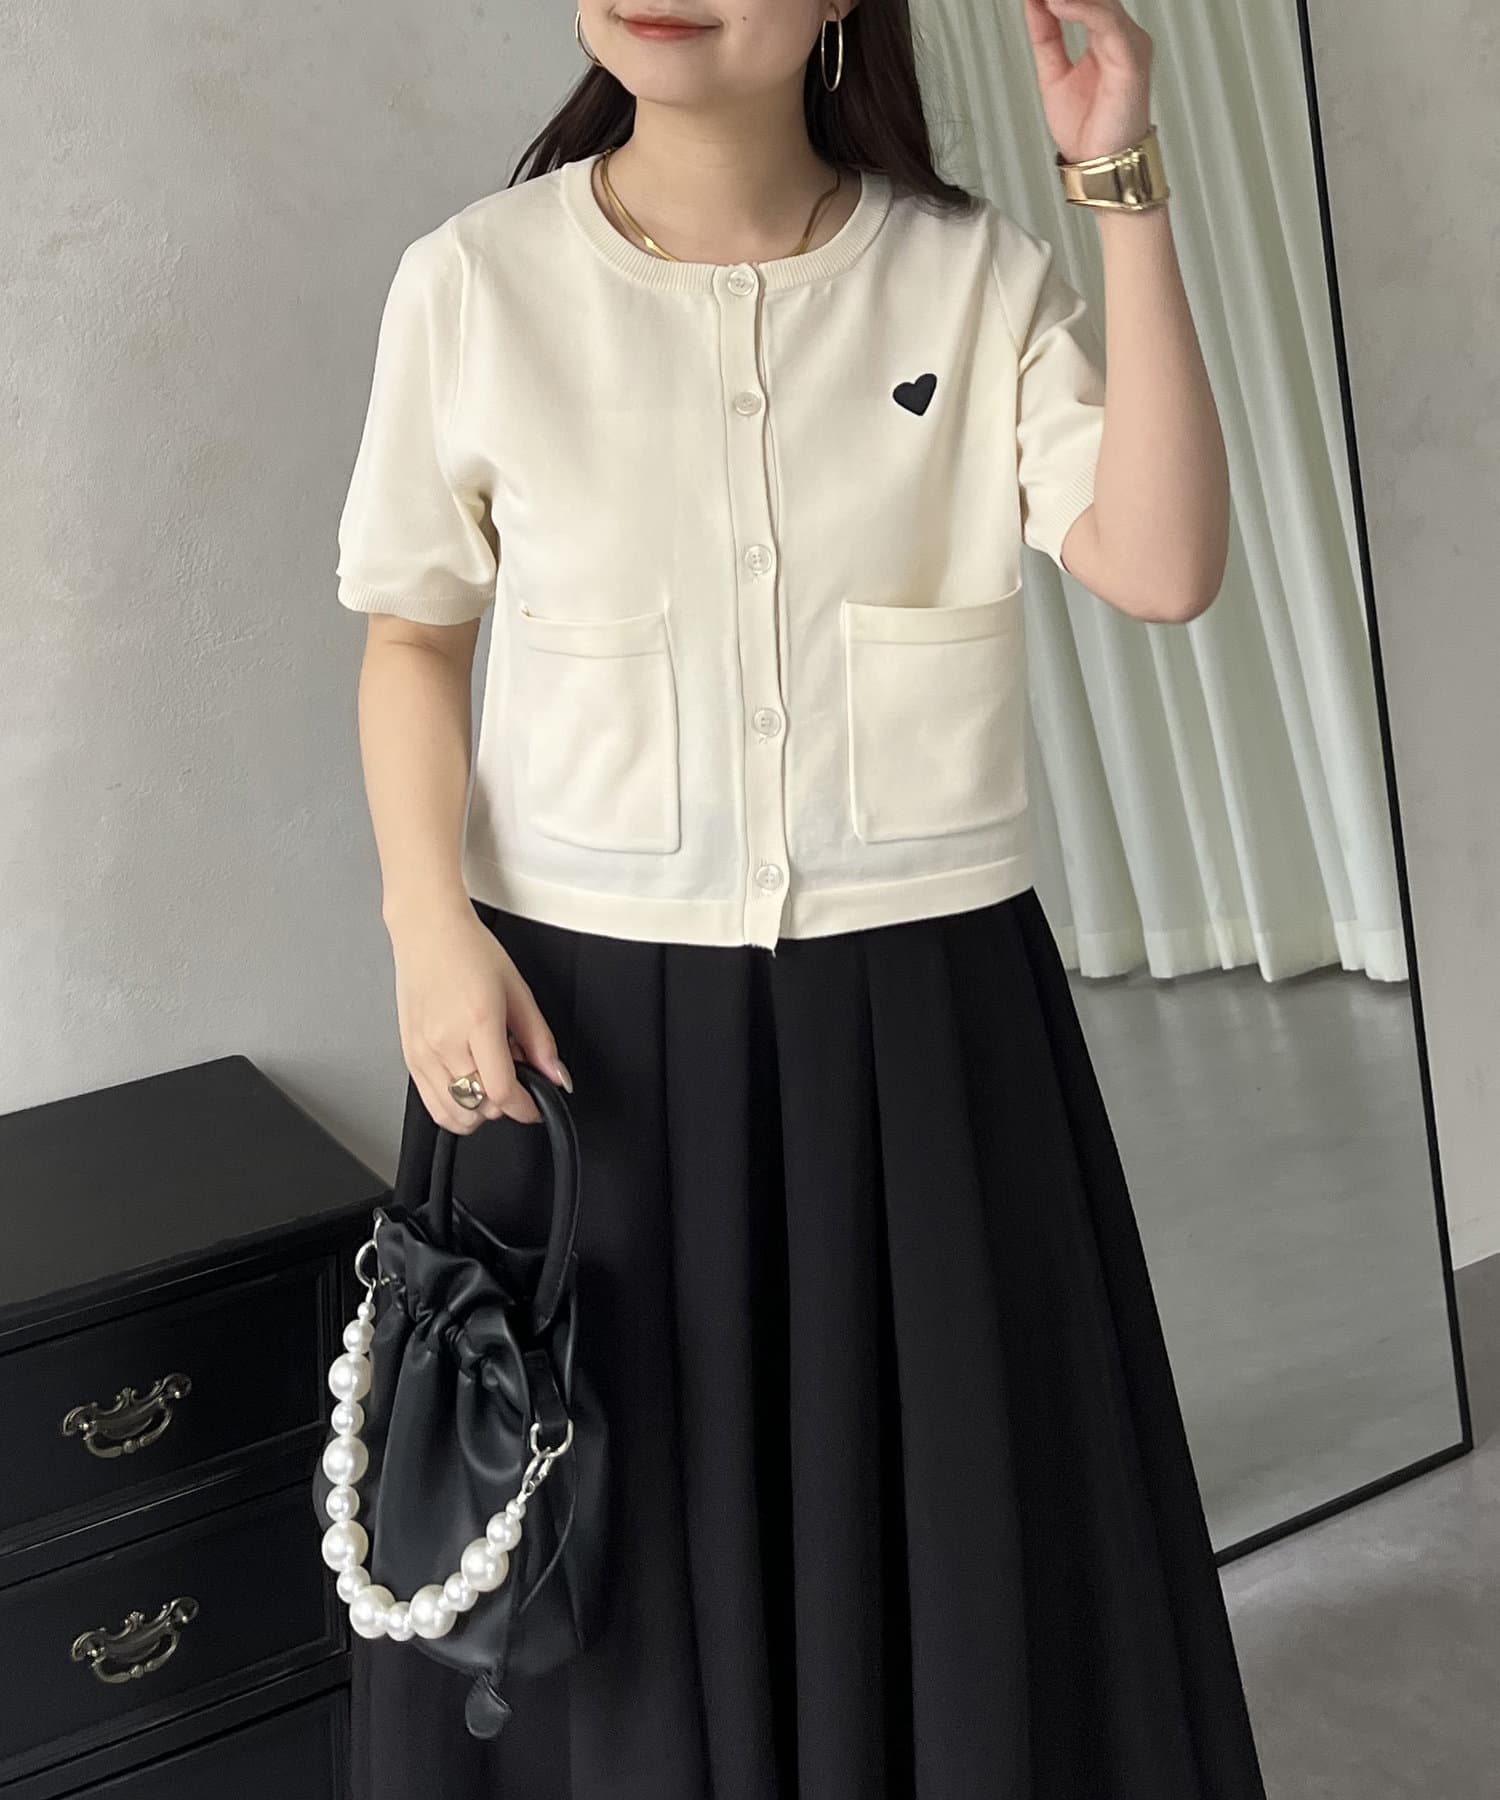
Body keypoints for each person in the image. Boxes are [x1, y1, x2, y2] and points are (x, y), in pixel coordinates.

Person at [333, 0, 1266, 1793]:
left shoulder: (968, 278)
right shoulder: (474, 283)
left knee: (945, 1533)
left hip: (919, 1035)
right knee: (606, 1558)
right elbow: (412, 635)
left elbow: (1161, 563)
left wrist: (1118, 183)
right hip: (578, 1036)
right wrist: (426, 927)